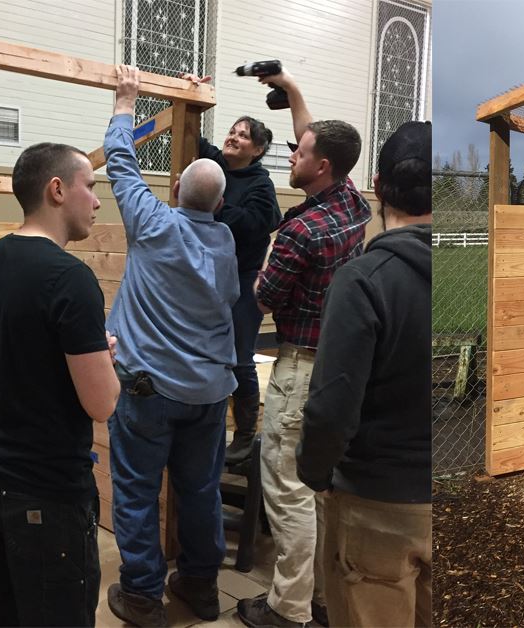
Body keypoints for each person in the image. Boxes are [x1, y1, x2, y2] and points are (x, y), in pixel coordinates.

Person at [101, 64, 241, 628]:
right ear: (221, 204)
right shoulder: (226, 241)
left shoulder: (153, 224)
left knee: (136, 495)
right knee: (200, 489)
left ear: (176, 189)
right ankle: (201, 588)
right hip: (208, 393)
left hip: (147, 391)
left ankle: (141, 597)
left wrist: (125, 101)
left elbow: (121, 164)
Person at [0, 143, 119, 626]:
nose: (96, 201)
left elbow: (17, 356)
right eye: (90, 187)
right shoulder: (70, 279)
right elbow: (102, 403)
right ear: (56, 190)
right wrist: (105, 361)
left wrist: (88, 350)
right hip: (45, 493)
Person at [237, 70, 372, 628]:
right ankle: (317, 598)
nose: (291, 153)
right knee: (316, 486)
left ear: (321, 167)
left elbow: (264, 299)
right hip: (336, 368)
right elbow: (316, 136)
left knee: (287, 488)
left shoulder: (300, 231)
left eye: (300, 152)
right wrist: (289, 88)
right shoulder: (353, 205)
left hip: (296, 367)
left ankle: (287, 609)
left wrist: (259, 266)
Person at [296, 120, 432, 627]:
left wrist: (316, 473)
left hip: (377, 501)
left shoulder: (363, 281)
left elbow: (332, 406)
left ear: (377, 184)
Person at [199, 111, 280, 467]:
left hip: (243, 278)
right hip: (205, 274)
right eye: (231, 131)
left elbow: (257, 224)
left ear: (258, 149)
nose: (232, 138)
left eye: (243, 136)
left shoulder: (260, 185)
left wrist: (217, 208)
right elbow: (190, 134)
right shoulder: (214, 162)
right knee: (204, 349)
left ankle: (245, 434)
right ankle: (206, 422)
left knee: (239, 358)